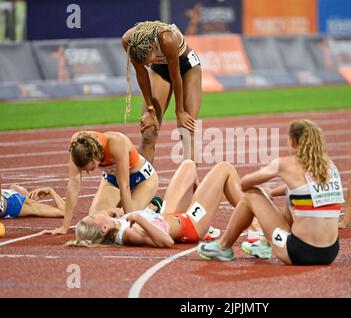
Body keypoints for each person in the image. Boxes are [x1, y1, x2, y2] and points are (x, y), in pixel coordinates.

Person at [197, 120, 344, 265]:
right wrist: (272, 192)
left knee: (251, 195)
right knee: (293, 196)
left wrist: (263, 194)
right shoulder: (328, 165)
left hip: (301, 252)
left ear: (293, 142)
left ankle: (223, 246)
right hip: (330, 252)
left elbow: (245, 183)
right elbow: (303, 189)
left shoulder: (286, 163)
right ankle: (265, 244)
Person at [66, 160, 241, 247]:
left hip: (170, 215)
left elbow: (113, 219)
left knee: (188, 165)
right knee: (224, 169)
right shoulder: (128, 233)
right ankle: (255, 223)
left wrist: (113, 214)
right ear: (103, 229)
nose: (98, 213)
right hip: (190, 225)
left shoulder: (115, 227)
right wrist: (138, 218)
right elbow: (166, 242)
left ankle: (202, 206)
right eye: (95, 217)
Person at [43, 131, 158, 235]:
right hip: (112, 179)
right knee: (94, 224)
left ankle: (153, 206)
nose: (87, 172)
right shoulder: (77, 147)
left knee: (125, 222)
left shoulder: (117, 142)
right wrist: (64, 227)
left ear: (96, 158)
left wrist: (128, 224)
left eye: (90, 168)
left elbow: (124, 185)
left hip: (142, 179)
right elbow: (73, 186)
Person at [122, 20, 202, 163]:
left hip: (186, 68)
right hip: (160, 71)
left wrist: (180, 111)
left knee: (187, 131)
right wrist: (150, 110)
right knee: (149, 132)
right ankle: (144, 183)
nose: (147, 65)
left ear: (153, 47)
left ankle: (192, 184)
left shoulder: (167, 39)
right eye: (144, 63)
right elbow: (141, 74)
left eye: (148, 60)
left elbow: (176, 77)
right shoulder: (129, 41)